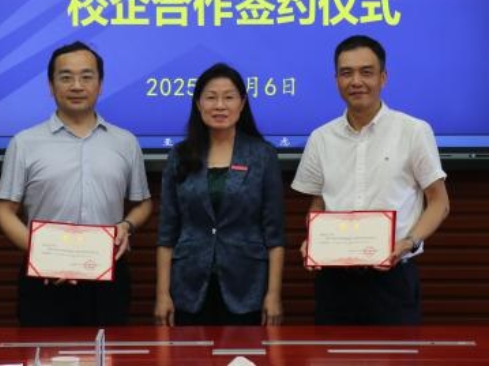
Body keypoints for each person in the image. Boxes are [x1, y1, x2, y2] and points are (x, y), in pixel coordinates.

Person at [292, 35, 450, 325]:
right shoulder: (321, 138)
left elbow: (439, 203)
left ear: (383, 78)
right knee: (331, 350)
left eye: (366, 72)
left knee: (396, 351)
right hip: (334, 280)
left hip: (393, 278)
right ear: (336, 80)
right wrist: (314, 240)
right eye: (346, 73)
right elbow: (318, 203)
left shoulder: (413, 131)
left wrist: (408, 242)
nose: (356, 81)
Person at [0, 41, 152, 327]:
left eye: (86, 76)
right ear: (51, 86)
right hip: (45, 280)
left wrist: (127, 226)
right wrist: (41, 255)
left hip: (108, 277)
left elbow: (143, 203)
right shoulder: (25, 142)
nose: (76, 86)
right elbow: (3, 211)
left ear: (100, 85)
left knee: (107, 350)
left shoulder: (125, 142)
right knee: (43, 350)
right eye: (66, 77)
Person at [154, 63, 285, 327]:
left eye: (229, 97)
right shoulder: (180, 156)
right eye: (211, 97)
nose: (220, 106)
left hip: (247, 286)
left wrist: (273, 294)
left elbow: (274, 235)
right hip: (188, 287)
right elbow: (167, 233)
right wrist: (162, 294)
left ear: (242, 103)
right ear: (198, 103)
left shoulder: (262, 155)